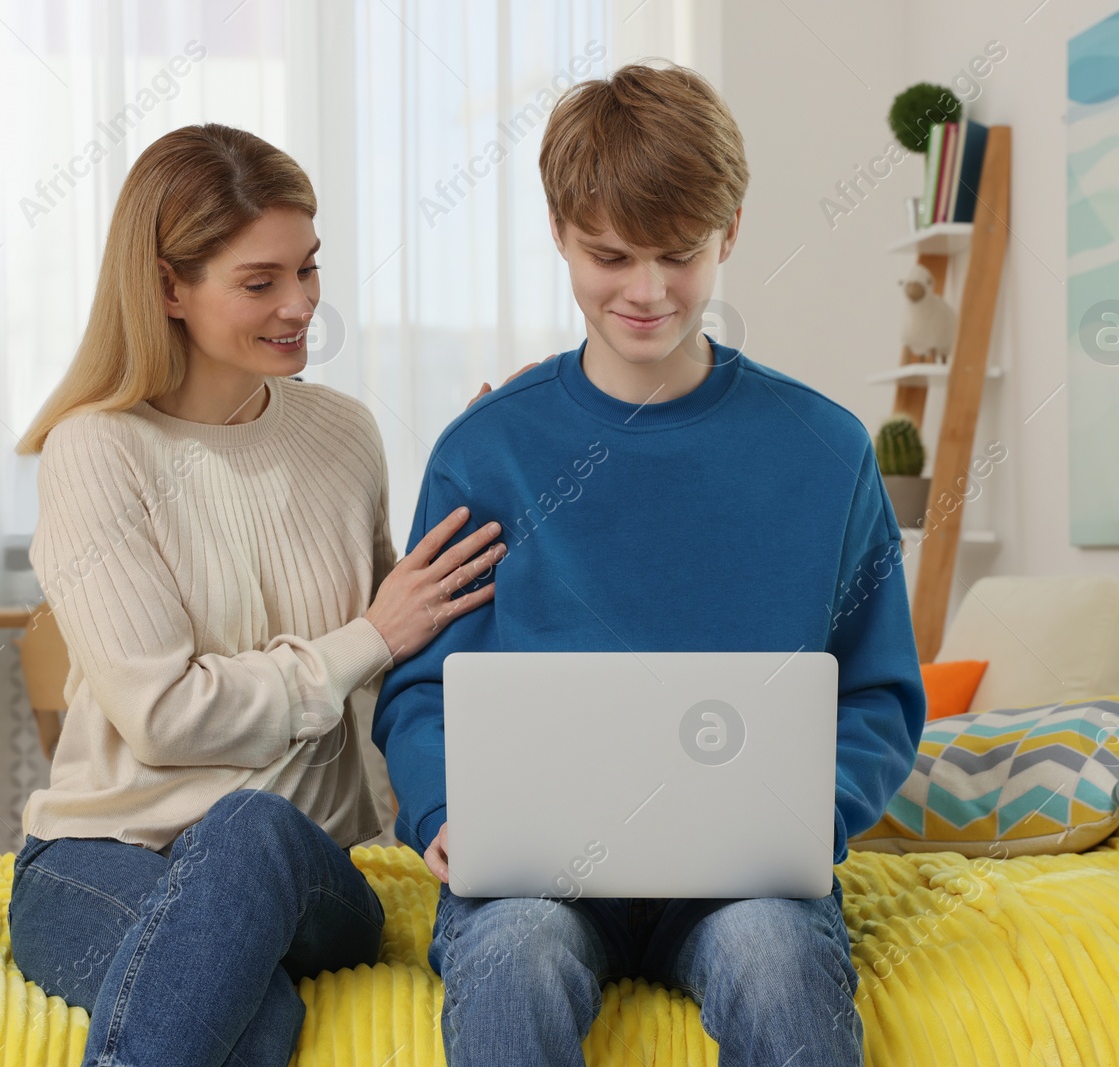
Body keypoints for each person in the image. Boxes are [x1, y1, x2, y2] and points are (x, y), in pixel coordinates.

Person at [372, 62, 926, 1067]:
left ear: (731, 234)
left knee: (772, 955)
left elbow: (880, 693)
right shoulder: (483, 450)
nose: (646, 290)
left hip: (744, 878)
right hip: (534, 877)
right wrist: (444, 809)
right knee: (515, 949)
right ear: (557, 233)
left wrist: (809, 817)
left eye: (677, 255)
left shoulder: (824, 447)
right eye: (609, 254)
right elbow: (418, 689)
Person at [7, 123, 514, 1067]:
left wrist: (507, 465)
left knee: (249, 829)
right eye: (260, 282)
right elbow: (162, 716)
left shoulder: (344, 434)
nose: (301, 305)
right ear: (167, 287)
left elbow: (408, 641)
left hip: (304, 872)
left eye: (308, 270)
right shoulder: (97, 450)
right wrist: (367, 635)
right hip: (100, 857)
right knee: (254, 1024)